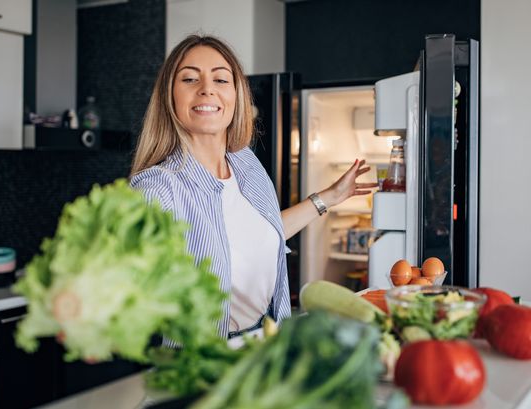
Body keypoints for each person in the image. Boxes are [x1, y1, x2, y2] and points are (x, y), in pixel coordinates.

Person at [130, 35, 377, 340]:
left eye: (221, 79)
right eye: (190, 78)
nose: (206, 88)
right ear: (170, 97)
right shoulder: (158, 189)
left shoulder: (246, 163)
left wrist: (329, 197)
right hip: (206, 360)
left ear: (236, 96)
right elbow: (125, 277)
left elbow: (257, 234)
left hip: (268, 340)